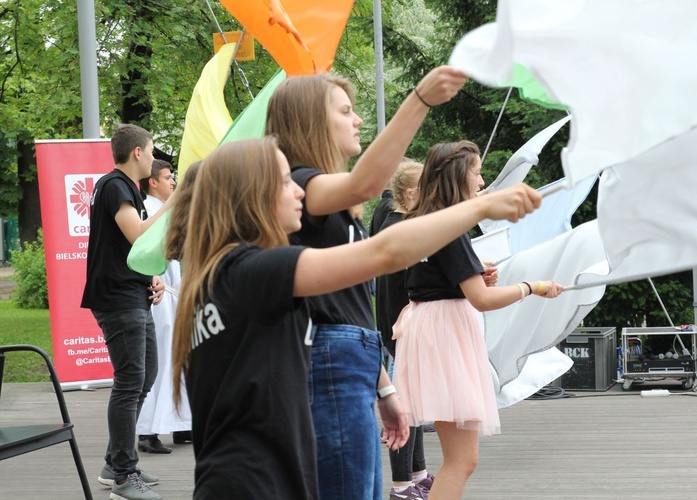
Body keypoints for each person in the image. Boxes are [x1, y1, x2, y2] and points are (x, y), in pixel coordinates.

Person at [169, 137, 543, 499]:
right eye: (286, 181)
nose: (301, 191)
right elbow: (383, 252)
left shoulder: (213, 279)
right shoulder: (254, 270)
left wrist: (384, 387)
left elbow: (335, 314)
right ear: (249, 195)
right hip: (258, 479)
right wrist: (477, 208)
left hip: (242, 474)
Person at [265, 65, 467, 500]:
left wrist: (384, 387)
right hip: (330, 360)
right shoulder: (302, 182)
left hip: (351, 358)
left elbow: (343, 304)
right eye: (346, 111)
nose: (358, 120)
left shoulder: (325, 197)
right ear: (311, 122)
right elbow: (366, 184)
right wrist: (420, 100)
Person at [392, 141, 564, 500]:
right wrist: (533, 286)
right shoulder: (451, 227)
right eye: (476, 172)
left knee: (460, 458)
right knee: (462, 460)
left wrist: (471, 274)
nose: (482, 182)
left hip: (428, 327)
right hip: (446, 335)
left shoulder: (424, 220)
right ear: (458, 177)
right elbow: (482, 300)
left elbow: (430, 279)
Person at [81, 124, 170, 500]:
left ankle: (113, 462)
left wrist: (153, 275)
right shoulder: (116, 186)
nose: (153, 157)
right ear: (137, 153)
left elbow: (131, 250)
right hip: (117, 299)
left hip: (132, 293)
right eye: (151, 150)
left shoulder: (126, 188)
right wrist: (174, 203)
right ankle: (123, 476)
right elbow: (138, 235)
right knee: (130, 381)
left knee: (145, 374)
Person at [376, 161, 434, 500]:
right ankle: (401, 485)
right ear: (411, 193)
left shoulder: (400, 223)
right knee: (407, 406)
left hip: (400, 326)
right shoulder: (400, 227)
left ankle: (418, 472)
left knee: (416, 404)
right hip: (402, 329)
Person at [135, 159, 192, 454]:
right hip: (157, 294)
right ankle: (147, 430)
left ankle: (180, 422)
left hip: (171, 291)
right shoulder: (147, 209)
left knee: (177, 357)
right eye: (168, 178)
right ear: (153, 182)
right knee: (157, 362)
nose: (173, 182)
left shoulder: (164, 209)